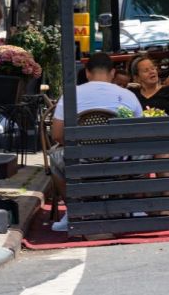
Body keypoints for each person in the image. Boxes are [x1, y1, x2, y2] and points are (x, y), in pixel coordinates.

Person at [49, 52, 144, 232]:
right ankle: (135, 206)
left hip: (81, 159)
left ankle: (73, 211)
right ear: (113, 73)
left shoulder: (70, 95)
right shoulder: (128, 95)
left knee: (55, 158)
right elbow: (138, 132)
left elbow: (57, 134)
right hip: (120, 159)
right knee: (142, 151)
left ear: (87, 73)